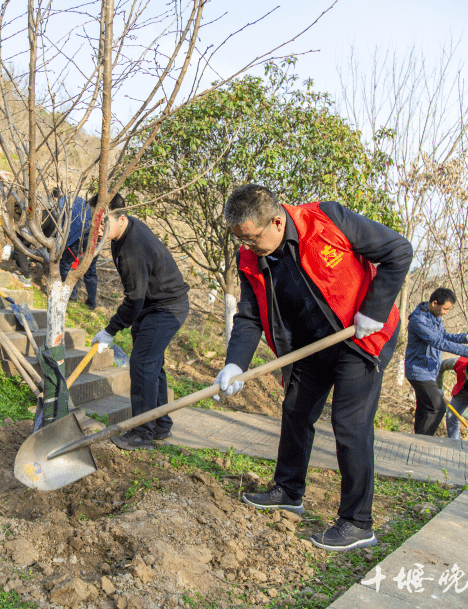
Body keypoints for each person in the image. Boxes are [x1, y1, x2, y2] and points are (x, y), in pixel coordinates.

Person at [214, 185, 412, 551]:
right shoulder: (250, 259)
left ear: (276, 221)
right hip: (310, 344)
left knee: (349, 425)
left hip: (360, 337)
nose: (248, 247)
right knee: (296, 410)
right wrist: (234, 364)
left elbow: (398, 250)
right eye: (241, 240)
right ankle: (288, 490)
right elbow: (249, 315)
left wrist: (376, 309)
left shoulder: (326, 220)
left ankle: (357, 522)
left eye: (253, 238)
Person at [91, 192, 190, 450]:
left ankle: (142, 433)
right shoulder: (122, 232)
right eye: (94, 222)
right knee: (152, 365)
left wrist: (110, 330)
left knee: (143, 363)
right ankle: (160, 425)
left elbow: (133, 299)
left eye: (102, 223)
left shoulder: (134, 247)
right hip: (152, 304)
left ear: (121, 218)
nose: (97, 228)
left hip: (166, 308)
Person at [405, 287, 468, 436]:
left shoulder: (435, 317)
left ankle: (417, 439)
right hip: (419, 371)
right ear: (435, 303)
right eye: (445, 309)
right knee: (438, 408)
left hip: (429, 371)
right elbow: (438, 342)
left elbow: (444, 337)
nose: (446, 312)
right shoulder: (418, 320)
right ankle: (423, 440)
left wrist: (465, 338)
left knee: (424, 408)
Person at [56, 188, 98, 309]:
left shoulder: (61, 203)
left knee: (65, 264)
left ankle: (72, 295)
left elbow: (63, 225)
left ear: (56, 198)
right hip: (93, 234)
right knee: (91, 269)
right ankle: (91, 303)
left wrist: (63, 245)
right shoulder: (80, 200)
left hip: (78, 236)